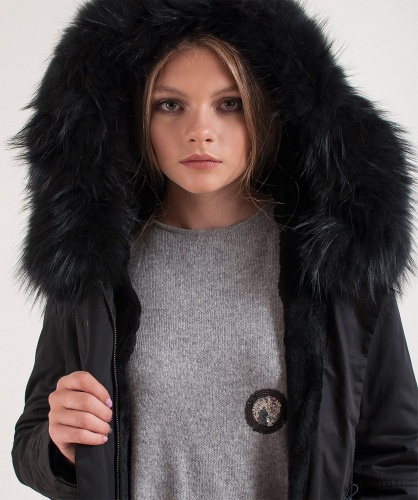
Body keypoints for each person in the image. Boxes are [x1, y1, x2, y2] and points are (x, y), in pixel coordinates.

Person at [11, 0, 418, 499]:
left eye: (229, 104)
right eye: (170, 104)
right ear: (136, 116)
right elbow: (32, 443)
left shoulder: (334, 258)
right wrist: (59, 444)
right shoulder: (95, 267)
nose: (199, 131)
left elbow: (397, 463)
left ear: (267, 109)